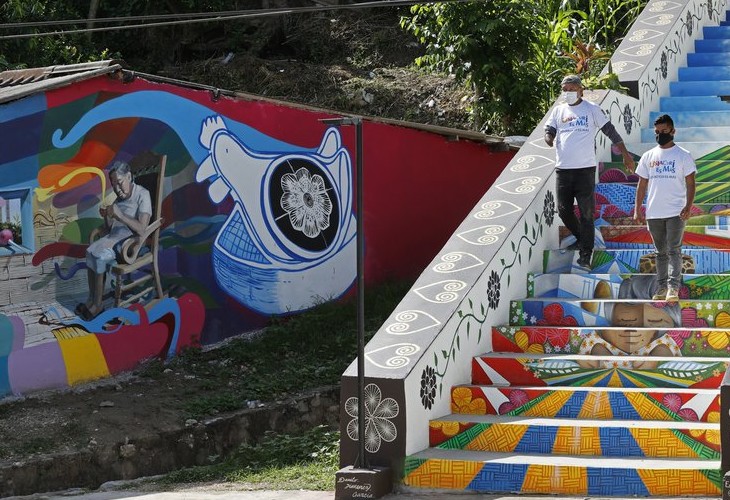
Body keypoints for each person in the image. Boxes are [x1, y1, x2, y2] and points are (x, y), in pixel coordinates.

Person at [544, 74, 636, 270]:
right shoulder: (558, 111)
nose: (567, 93)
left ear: (580, 90)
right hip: (563, 170)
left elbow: (610, 130)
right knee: (563, 210)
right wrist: (549, 137)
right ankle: (582, 237)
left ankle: (586, 254)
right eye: (565, 90)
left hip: (585, 169)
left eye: (571, 89)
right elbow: (549, 129)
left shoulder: (591, 109)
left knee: (586, 212)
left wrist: (626, 155)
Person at [76, 161, 152, 320]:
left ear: (129, 176)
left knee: (99, 255)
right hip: (115, 239)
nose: (117, 189)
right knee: (90, 252)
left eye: (120, 183)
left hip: (131, 244)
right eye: (114, 185)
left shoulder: (142, 194)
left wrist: (121, 216)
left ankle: (98, 305)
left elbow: (142, 229)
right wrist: (107, 218)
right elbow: (111, 229)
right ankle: (91, 300)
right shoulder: (118, 200)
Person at [633, 114, 696, 302]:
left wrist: (688, 206)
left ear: (673, 131)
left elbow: (691, 183)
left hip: (676, 212)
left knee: (674, 250)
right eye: (657, 132)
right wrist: (637, 208)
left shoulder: (683, 156)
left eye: (664, 131)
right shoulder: (648, 156)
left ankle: (673, 289)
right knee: (660, 252)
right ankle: (661, 288)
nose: (660, 134)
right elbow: (641, 184)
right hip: (654, 212)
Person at [578, 301, 682, 369]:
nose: (632, 330)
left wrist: (656, 361)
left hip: (650, 355)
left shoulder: (659, 341)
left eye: (654, 321)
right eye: (624, 321)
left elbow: (669, 360)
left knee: (662, 349)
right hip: (606, 358)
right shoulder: (599, 338)